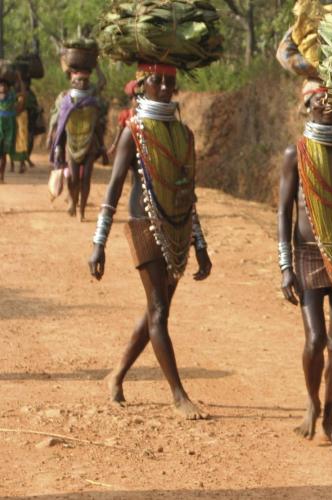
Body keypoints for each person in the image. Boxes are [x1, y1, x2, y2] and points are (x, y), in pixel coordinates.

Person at [88, 63, 212, 420]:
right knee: (158, 310)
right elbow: (113, 188)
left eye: (170, 82)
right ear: (142, 84)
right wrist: (99, 241)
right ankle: (178, 394)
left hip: (177, 225)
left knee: (157, 309)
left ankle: (116, 376)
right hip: (145, 223)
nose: (164, 87)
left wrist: (199, 243)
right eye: (157, 80)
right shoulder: (134, 131)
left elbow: (188, 193)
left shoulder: (184, 135)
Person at [278, 78, 332, 440]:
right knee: (316, 339)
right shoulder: (295, 155)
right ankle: (312, 402)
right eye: (321, 99)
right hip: (308, 255)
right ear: (308, 105)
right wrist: (285, 265)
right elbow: (284, 211)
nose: (328, 105)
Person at [49, 68, 105, 220]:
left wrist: (103, 147)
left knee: (86, 178)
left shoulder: (93, 103)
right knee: (73, 178)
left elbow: (98, 126)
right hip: (71, 145)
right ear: (72, 82)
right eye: (78, 80)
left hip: (90, 145)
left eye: (85, 80)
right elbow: (61, 127)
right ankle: (73, 201)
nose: (82, 83)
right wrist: (58, 147)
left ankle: (82, 210)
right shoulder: (66, 102)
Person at [106, 80, 139, 161]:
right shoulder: (125, 114)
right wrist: (114, 145)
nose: (138, 101)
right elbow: (119, 131)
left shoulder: (145, 117)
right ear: (132, 100)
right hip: (127, 148)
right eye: (136, 98)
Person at [0, 74, 24, 183]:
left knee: (4, 153)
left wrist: (19, 79)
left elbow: (22, 97)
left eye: (4, 86)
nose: (2, 88)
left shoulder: (12, 95)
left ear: (8, 88)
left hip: (10, 126)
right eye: (0, 86)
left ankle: (1, 176)